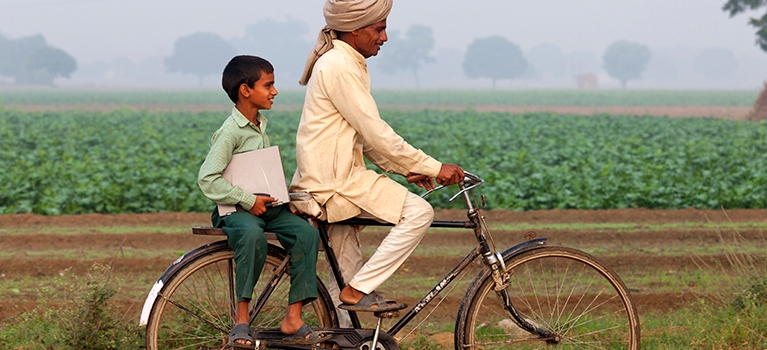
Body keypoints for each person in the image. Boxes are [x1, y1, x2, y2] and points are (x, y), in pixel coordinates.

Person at [290, 0, 465, 321]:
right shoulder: (340, 66)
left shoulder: (343, 62)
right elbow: (375, 133)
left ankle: (342, 335)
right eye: (379, 28)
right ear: (354, 29)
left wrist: (408, 168)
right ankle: (358, 290)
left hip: (327, 179)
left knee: (344, 274)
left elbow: (361, 136)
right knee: (419, 212)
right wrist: (433, 167)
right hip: (337, 183)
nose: (384, 37)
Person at [198, 55, 328, 348]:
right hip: (236, 211)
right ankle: (241, 319)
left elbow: (260, 173)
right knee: (252, 235)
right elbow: (208, 178)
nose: (275, 91)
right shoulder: (230, 132)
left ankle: (293, 317)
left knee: (307, 233)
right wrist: (246, 199)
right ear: (246, 90)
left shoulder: (259, 124)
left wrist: (286, 200)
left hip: (267, 207)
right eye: (268, 85)